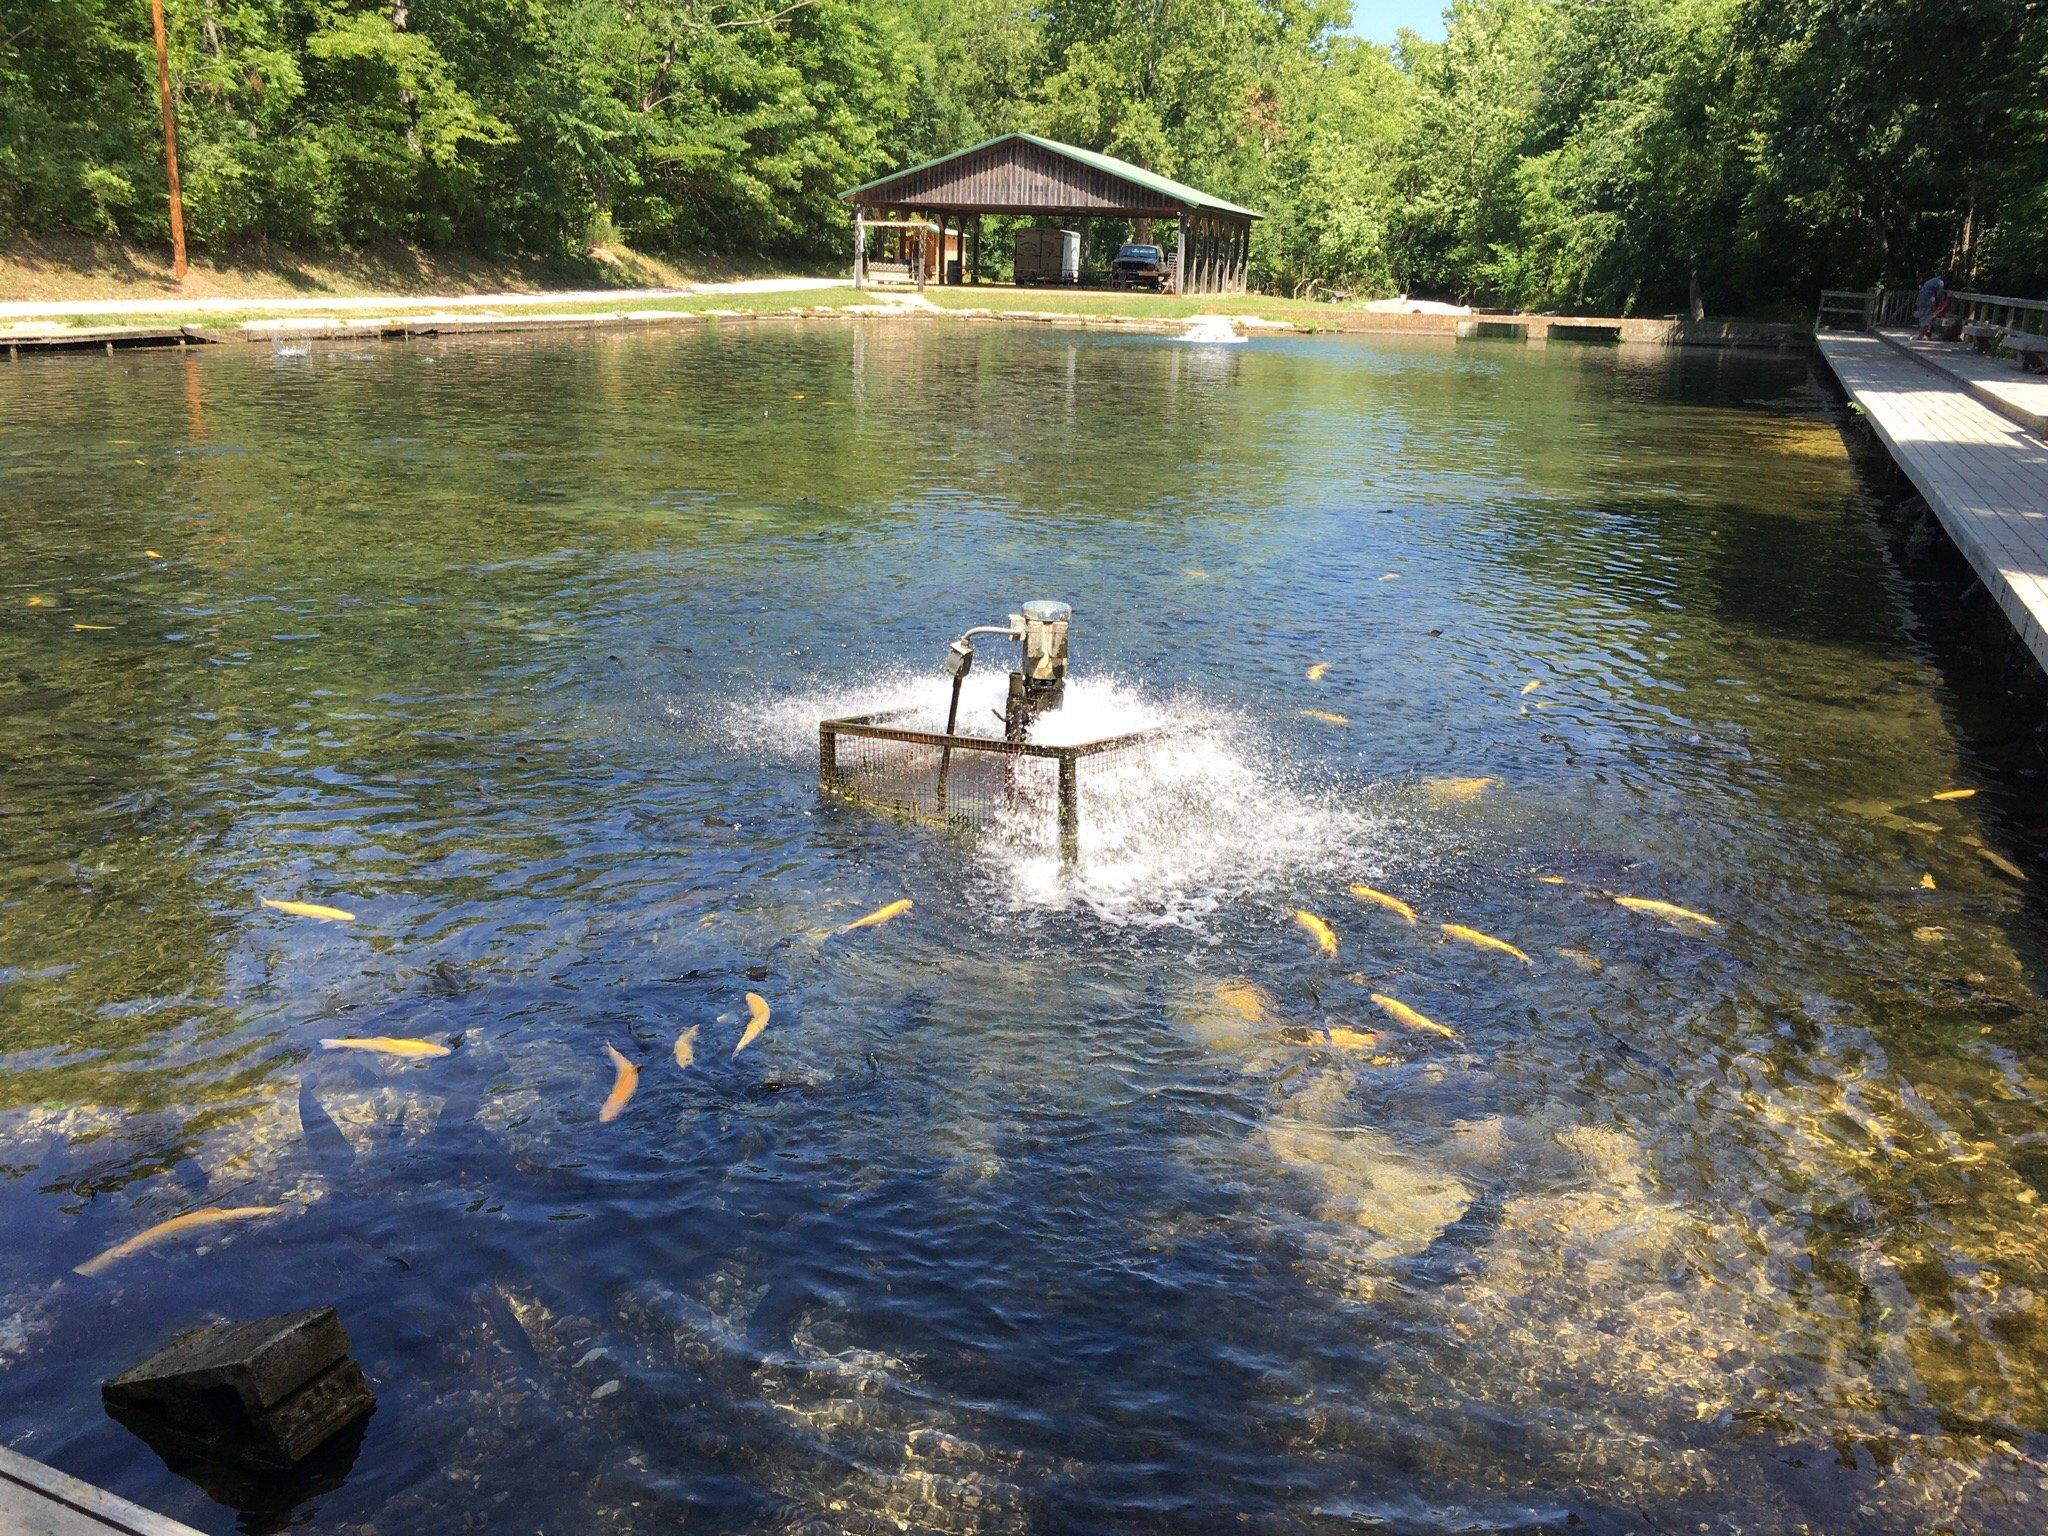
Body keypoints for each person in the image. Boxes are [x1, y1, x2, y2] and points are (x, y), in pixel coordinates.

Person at [1915, 273, 1947, 339]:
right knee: (1926, 318)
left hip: (1921, 298)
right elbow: (1939, 295)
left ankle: (1925, 335)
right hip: (1927, 300)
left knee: (1924, 317)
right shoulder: (1940, 282)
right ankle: (1921, 336)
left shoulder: (1933, 280)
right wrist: (1939, 303)